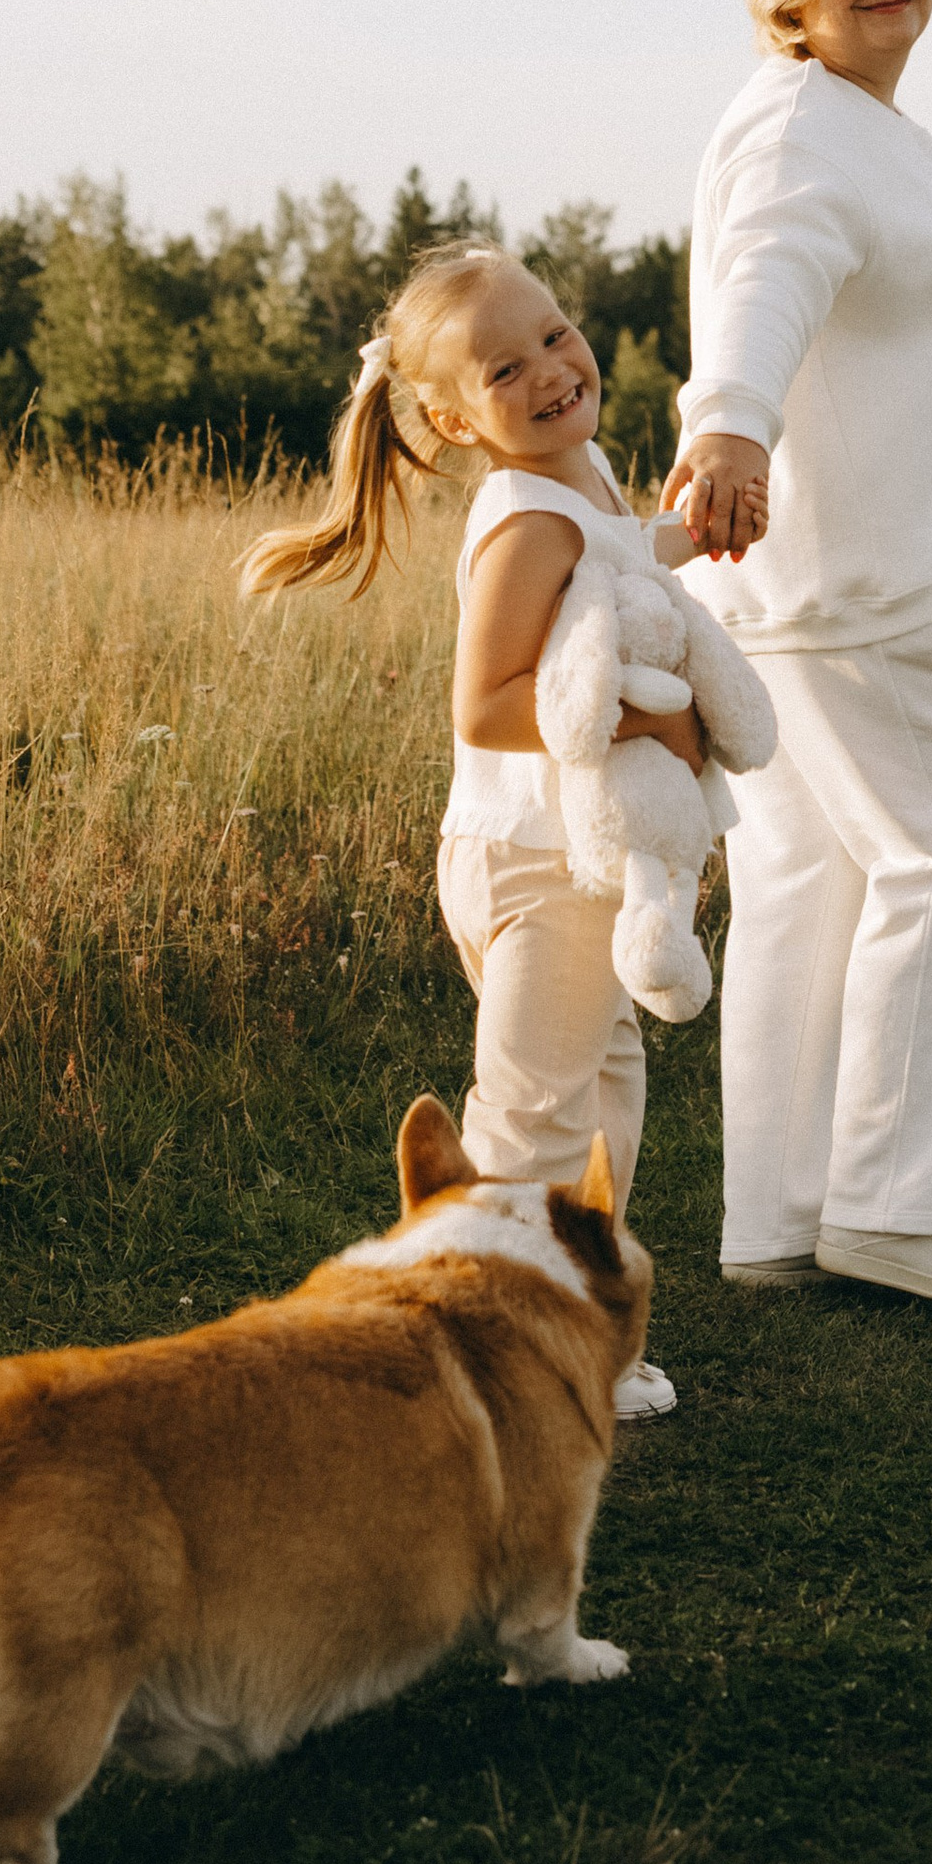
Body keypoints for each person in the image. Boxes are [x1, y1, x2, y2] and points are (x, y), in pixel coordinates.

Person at [668, 0, 932, 1311]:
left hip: (822, 586)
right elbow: (763, 282)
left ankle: (778, 1216)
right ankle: (895, 1202)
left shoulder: (851, 122)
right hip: (864, 590)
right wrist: (731, 425)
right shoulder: (801, 137)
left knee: (810, 880)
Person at [240, 244, 706, 1422]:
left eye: (554, 334)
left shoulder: (581, 475)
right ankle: (481, 1355)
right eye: (507, 367)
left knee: (600, 1097)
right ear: (452, 418)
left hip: (575, 857)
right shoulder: (522, 518)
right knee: (532, 1117)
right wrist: (655, 723)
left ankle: (575, 1327)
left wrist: (688, 533)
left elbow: (620, 563)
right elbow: (489, 703)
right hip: (536, 862)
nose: (553, 370)